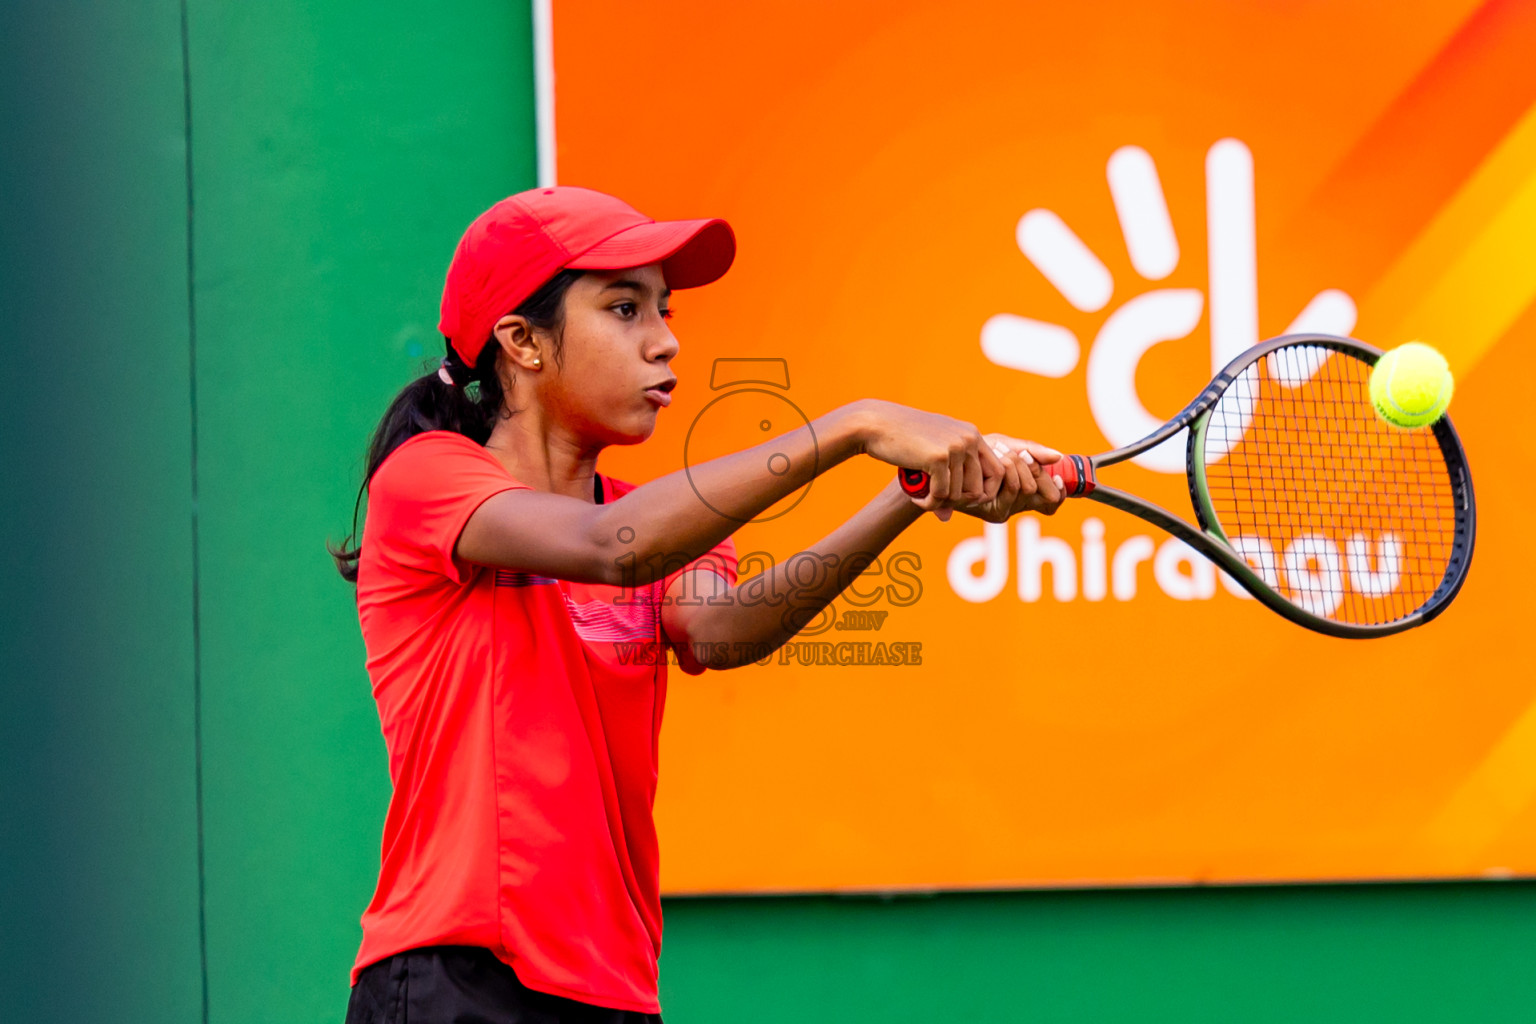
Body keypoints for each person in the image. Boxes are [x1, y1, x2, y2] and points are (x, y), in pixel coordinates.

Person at [333, 186, 1064, 1023]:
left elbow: (718, 628)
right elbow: (609, 545)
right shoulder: (428, 479)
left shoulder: (662, 524)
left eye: (664, 310)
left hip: (613, 986)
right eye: (624, 308)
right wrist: (851, 426)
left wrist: (909, 493)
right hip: (457, 974)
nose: (665, 340)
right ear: (522, 342)